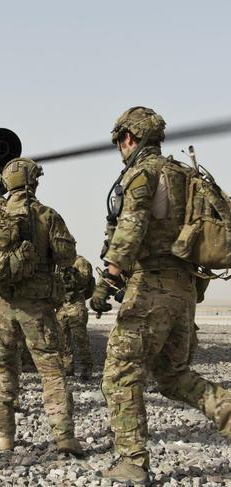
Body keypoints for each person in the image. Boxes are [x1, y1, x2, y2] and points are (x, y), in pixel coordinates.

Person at [91, 106, 231, 484]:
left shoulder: (142, 173)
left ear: (129, 138)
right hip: (185, 291)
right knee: (172, 375)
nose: (121, 148)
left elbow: (131, 226)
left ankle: (132, 462)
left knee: (119, 376)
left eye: (121, 141)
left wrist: (108, 278)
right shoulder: (186, 175)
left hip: (151, 286)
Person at [0, 157, 83, 455]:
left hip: (0, 308)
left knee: (3, 372)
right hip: (37, 309)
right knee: (52, 372)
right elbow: (66, 256)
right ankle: (64, 438)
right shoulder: (46, 215)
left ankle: (5, 440)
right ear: (33, 181)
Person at [56, 255, 95, 379]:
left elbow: (85, 281)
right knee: (63, 339)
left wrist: (73, 275)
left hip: (76, 305)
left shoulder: (80, 262)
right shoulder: (58, 263)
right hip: (61, 307)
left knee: (80, 339)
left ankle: (86, 368)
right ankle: (68, 367)